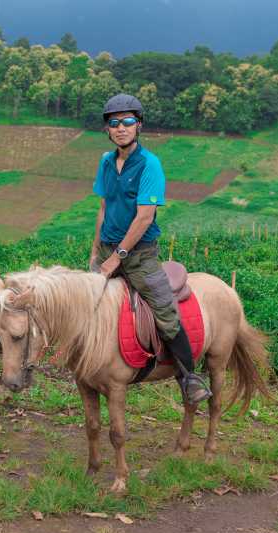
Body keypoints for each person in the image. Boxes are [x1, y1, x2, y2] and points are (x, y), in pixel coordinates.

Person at [88, 94, 211, 404]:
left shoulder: (150, 165)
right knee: (84, 306)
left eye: (127, 121)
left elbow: (144, 218)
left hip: (139, 255)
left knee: (165, 311)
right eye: (114, 123)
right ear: (107, 129)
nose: (121, 128)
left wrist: (117, 258)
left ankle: (189, 377)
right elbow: (103, 208)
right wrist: (95, 253)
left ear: (138, 125)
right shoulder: (106, 161)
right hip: (106, 251)